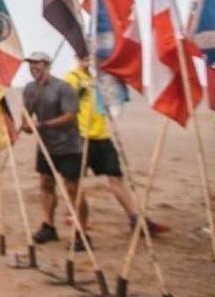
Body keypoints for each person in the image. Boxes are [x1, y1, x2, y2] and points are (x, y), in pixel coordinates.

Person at [63, 62, 169, 234]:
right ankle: (74, 216)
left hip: (101, 135)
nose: (88, 60)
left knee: (116, 177)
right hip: (80, 137)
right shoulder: (72, 77)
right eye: (83, 56)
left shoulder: (100, 77)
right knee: (75, 182)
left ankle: (135, 218)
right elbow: (65, 103)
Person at [19, 51, 88, 250]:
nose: (34, 68)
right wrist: (26, 125)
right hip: (46, 146)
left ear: (47, 65)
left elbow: (70, 116)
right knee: (46, 184)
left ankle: (82, 232)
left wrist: (44, 124)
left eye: (37, 64)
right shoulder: (30, 89)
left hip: (69, 146)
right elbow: (27, 114)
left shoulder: (63, 88)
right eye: (31, 64)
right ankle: (48, 226)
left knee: (73, 189)